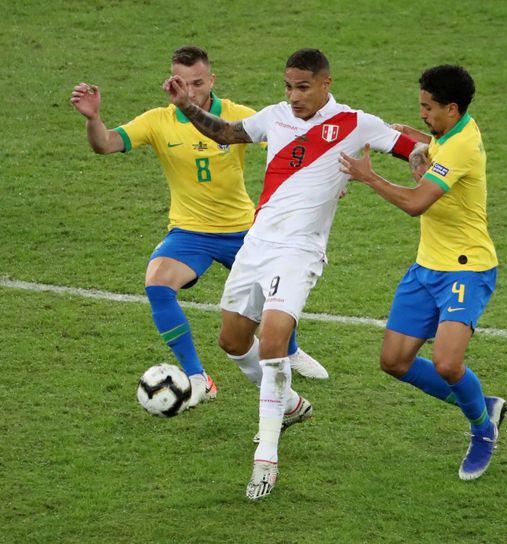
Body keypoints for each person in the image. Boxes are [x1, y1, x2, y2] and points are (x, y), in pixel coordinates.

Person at [164, 48, 427, 499]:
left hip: (299, 251)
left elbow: (416, 149)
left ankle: (265, 459)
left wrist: (423, 153)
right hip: (256, 245)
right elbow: (225, 130)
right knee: (231, 340)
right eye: (288, 86)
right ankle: (288, 405)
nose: (294, 96)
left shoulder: (356, 123)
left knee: (272, 341)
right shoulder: (275, 116)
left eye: (303, 87)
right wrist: (186, 106)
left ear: (326, 83)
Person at [70, 46, 328, 411]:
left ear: (211, 80)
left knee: (276, 293)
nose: (190, 92)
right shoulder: (159, 120)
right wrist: (93, 119)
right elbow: (106, 144)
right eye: (182, 83)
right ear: (171, 81)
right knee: (158, 284)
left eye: (197, 83)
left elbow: (292, 144)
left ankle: (292, 351)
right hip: (189, 233)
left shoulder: (238, 116)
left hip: (244, 231)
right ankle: (197, 378)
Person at [338, 64, 507, 480]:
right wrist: (418, 140)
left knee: (449, 365)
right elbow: (434, 143)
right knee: (394, 361)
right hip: (426, 266)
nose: (422, 115)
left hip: (466, 270)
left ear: (452, 108)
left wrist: (369, 176)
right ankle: (482, 404)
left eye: (428, 108)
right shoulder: (452, 130)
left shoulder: (461, 147)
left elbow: (416, 202)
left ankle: (483, 431)